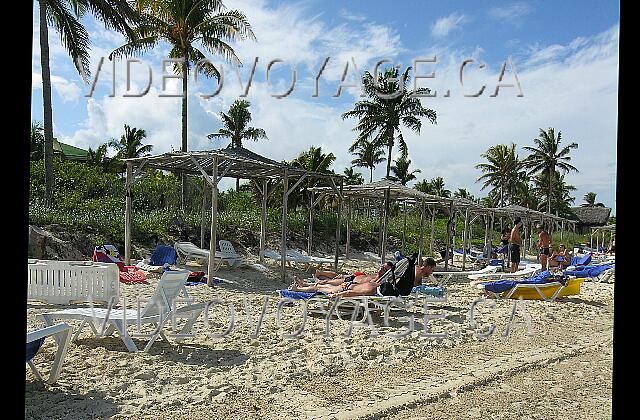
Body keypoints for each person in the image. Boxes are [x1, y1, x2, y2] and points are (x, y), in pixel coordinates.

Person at [290, 263, 392, 297]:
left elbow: (354, 292)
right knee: (322, 285)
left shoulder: (376, 284)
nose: (381, 268)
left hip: (345, 287)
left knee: (320, 286)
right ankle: (303, 285)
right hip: (351, 281)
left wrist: (337, 295)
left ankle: (299, 288)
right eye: (382, 266)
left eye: (384, 269)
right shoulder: (376, 279)